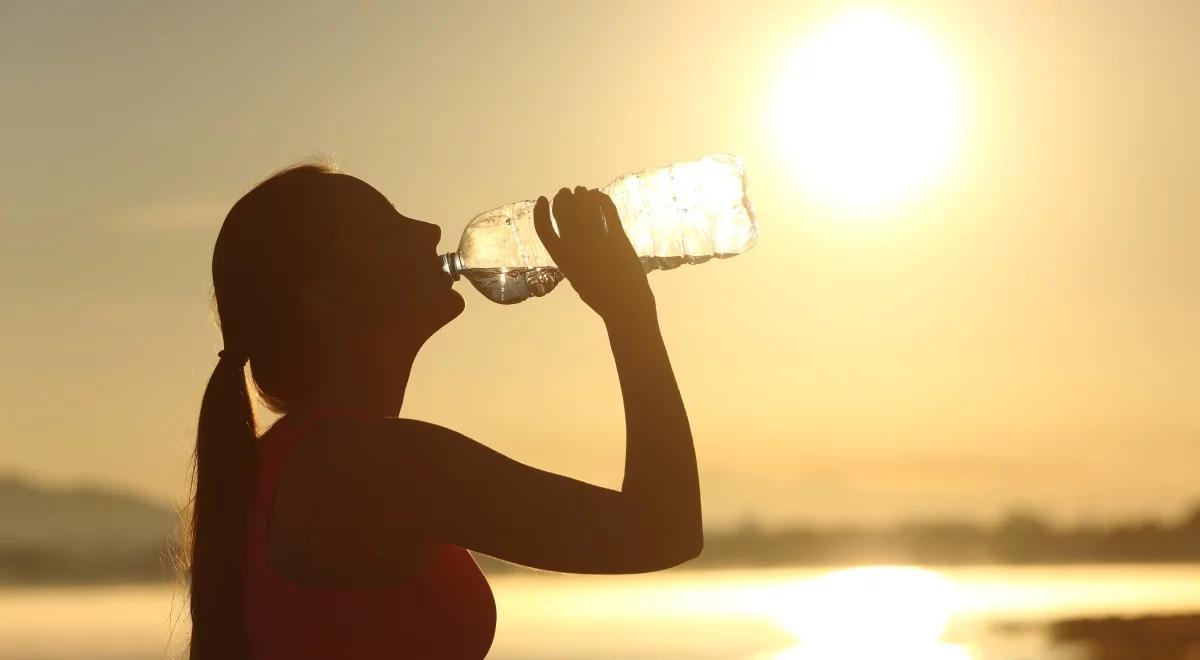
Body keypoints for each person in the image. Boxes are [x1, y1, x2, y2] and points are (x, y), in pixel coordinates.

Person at [182, 163, 703, 659]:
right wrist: (629, 311)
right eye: (386, 230)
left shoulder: (285, 463)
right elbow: (661, 529)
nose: (429, 229)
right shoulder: (376, 466)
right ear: (331, 298)